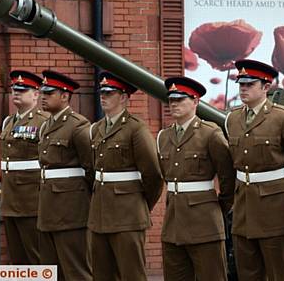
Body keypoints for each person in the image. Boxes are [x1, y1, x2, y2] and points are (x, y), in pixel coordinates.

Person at [224, 59, 284, 280]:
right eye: (241, 84)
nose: (243, 89)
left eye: (250, 84)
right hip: (244, 209)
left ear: (266, 87)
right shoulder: (233, 119)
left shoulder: (283, 118)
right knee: (247, 272)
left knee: (281, 272)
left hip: (276, 209)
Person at [157, 76, 235, 281]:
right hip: (173, 223)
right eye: (171, 100)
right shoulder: (164, 137)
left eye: (180, 100)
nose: (174, 104)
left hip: (205, 222)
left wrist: (217, 209)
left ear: (195, 102)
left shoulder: (210, 134)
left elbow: (228, 179)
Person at [88, 72, 163, 281]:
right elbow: (93, 172)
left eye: (110, 93)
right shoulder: (97, 129)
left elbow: (154, 175)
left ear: (123, 97)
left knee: (132, 274)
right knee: (101, 274)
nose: (103, 96)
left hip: (128, 215)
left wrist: (140, 205)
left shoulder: (135, 128)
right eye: (102, 92)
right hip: (100, 214)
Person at [37, 70, 93, 280]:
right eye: (42, 92)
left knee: (76, 270)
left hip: (71, 211)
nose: (43, 96)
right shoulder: (45, 126)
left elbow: (92, 168)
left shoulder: (78, 125)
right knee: (50, 272)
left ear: (65, 95)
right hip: (48, 209)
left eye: (49, 93)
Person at [0, 70, 48, 265]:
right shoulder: (8, 122)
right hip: (10, 198)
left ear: (36, 94)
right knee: (18, 258)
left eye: (23, 89)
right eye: (14, 89)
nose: (16, 93)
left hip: (31, 201)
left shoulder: (43, 122)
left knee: (36, 255)